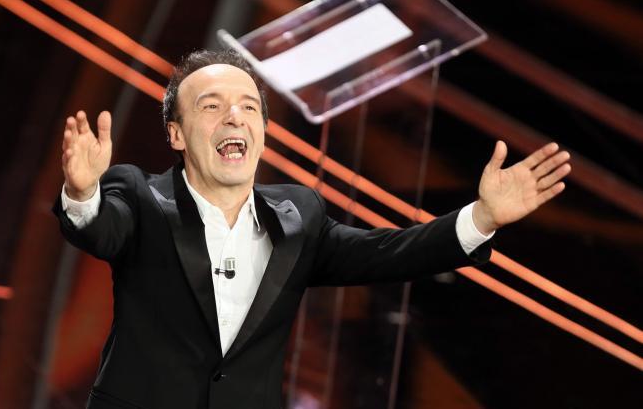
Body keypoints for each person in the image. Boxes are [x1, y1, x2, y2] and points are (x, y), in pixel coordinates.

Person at [54, 50, 571, 409]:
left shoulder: (298, 216)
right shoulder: (140, 195)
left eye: (248, 107)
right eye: (211, 106)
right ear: (176, 134)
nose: (234, 117)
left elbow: (388, 252)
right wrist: (81, 192)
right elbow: (102, 229)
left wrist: (481, 217)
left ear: (262, 130)